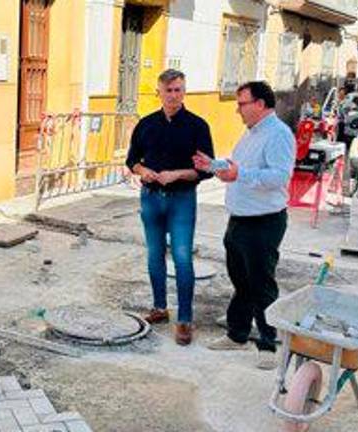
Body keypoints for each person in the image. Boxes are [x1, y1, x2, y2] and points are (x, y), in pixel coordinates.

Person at [192, 81, 295, 369]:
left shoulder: (278, 134)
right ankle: (237, 335)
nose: (238, 110)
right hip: (239, 218)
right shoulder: (251, 134)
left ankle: (267, 343)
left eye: (242, 104)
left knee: (261, 283)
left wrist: (240, 173)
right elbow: (237, 166)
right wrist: (213, 165)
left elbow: (278, 177)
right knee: (241, 281)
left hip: (264, 221)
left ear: (260, 104)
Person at [125, 69, 215, 346]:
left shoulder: (198, 126)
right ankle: (159, 308)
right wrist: (144, 171)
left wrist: (176, 174)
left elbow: (207, 169)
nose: (174, 95)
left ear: (184, 91)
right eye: (169, 90)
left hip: (181, 199)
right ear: (159, 93)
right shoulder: (146, 124)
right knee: (154, 255)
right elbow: (132, 161)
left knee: (182, 257)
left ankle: (185, 319)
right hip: (150, 197)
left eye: (179, 90)